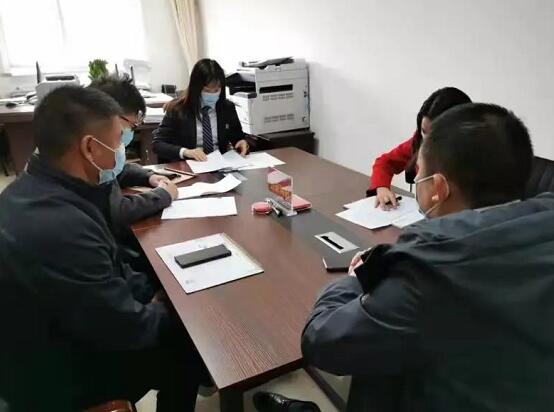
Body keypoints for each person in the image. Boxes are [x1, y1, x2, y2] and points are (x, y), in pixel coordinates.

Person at [302, 103, 554, 411]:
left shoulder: (430, 272)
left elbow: (322, 340)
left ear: (438, 188)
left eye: (419, 170)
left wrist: (355, 281)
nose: (416, 175)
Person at [0, 86, 204, 412]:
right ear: (90, 148)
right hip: (57, 374)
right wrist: (180, 309)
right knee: (189, 348)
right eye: (119, 142)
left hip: (52, 332)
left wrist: (152, 292)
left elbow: (110, 266)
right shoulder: (62, 225)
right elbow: (126, 328)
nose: (123, 152)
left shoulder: (40, 188)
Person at [89, 74, 178, 230]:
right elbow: (116, 211)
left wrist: (149, 177)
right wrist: (163, 195)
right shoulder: (85, 156)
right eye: (131, 126)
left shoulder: (99, 149)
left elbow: (116, 172)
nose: (131, 132)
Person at [368, 87, 471, 209]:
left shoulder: (474, 158)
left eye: (435, 135)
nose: (426, 142)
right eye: (424, 131)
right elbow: (385, 162)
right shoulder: (418, 142)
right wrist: (382, 188)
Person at [152, 58, 249, 162]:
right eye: (207, 90)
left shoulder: (227, 108)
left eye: (216, 90)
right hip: (190, 165)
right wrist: (186, 152)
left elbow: (237, 137)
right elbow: (158, 144)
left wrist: (241, 142)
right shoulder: (177, 109)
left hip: (220, 164)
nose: (212, 94)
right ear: (196, 88)